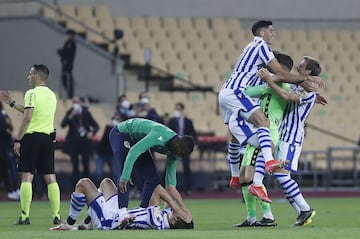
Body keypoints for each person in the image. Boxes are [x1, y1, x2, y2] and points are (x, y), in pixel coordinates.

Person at [218, 20, 323, 202]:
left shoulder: (262, 64)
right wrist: (305, 79)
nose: (273, 34)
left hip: (231, 93)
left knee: (236, 140)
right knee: (263, 127)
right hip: (238, 94)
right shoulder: (261, 47)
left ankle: (244, 183)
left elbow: (286, 85)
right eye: (271, 30)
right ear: (263, 32)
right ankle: (263, 176)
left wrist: (308, 89)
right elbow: (282, 76)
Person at [257, 56, 325, 226]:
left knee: (282, 176)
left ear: (308, 70)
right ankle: (302, 213)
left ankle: (305, 208)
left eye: (302, 65)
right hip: (284, 135)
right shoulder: (304, 85)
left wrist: (269, 81)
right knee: (281, 177)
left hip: (292, 138)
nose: (298, 67)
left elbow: (287, 96)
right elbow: (291, 83)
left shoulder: (308, 91)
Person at [232, 52, 294, 227]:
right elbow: (246, 91)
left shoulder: (283, 86)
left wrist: (268, 82)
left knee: (250, 176)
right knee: (244, 177)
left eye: (273, 65)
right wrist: (266, 83)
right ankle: (251, 217)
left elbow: (254, 91)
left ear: (282, 69)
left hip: (267, 133)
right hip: (257, 132)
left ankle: (268, 216)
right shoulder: (270, 84)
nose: (268, 67)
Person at [0, 64, 61, 225]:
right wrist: (12, 103)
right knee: (50, 176)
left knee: (27, 176)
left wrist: (18, 140)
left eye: (30, 74)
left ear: (36, 76)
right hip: (48, 138)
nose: (28, 77)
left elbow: (28, 118)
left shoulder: (31, 93)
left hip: (32, 138)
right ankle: (56, 215)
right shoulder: (52, 95)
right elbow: (34, 112)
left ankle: (25, 216)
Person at [109, 118, 194, 210]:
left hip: (138, 141)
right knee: (125, 175)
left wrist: (176, 204)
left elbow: (170, 182)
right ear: (178, 143)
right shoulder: (159, 136)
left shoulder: (176, 152)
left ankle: (143, 210)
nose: (179, 156)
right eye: (181, 153)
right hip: (121, 134)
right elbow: (134, 151)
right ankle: (121, 212)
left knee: (153, 179)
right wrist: (125, 176)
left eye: (182, 155)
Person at [50, 178, 193, 230]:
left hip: (109, 221)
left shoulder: (157, 220)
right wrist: (183, 209)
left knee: (83, 184)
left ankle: (69, 223)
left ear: (176, 219)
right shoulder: (166, 217)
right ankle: (87, 222)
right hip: (117, 214)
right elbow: (170, 190)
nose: (176, 209)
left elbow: (159, 190)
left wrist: (178, 209)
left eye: (179, 213)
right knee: (107, 183)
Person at [61, 96, 99, 186]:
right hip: (74, 143)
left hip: (85, 142)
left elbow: (96, 126)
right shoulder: (70, 112)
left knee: (86, 164)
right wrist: (71, 115)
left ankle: (88, 186)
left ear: (80, 103)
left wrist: (91, 133)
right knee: (75, 166)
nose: (75, 104)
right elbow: (63, 124)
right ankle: (76, 186)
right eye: (74, 102)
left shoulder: (86, 113)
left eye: (77, 102)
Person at [168, 102, 198, 195]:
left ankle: (187, 188)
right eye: (176, 109)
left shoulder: (188, 121)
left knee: (186, 167)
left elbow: (193, 133)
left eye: (179, 109)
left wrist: (195, 144)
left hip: (185, 146)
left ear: (182, 110)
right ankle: (167, 187)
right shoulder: (172, 121)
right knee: (169, 166)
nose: (177, 111)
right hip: (174, 146)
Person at [94, 112, 124, 184]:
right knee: (98, 173)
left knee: (116, 173)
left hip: (112, 154)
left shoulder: (122, 131)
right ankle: (97, 190)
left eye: (118, 119)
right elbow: (105, 139)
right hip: (102, 153)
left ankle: (115, 190)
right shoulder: (108, 127)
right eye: (115, 119)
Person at [0, 101, 20, 200]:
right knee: (12, 168)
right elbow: (5, 131)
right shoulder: (2, 117)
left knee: (3, 170)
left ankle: (10, 191)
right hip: (4, 147)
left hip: (3, 147)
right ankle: (15, 189)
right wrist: (11, 138)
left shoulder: (4, 116)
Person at [57, 29, 76, 99]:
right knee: (64, 78)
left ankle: (70, 94)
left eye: (69, 35)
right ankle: (69, 93)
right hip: (65, 63)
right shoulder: (68, 42)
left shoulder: (71, 43)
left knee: (67, 78)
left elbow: (67, 52)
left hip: (68, 63)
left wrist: (61, 52)